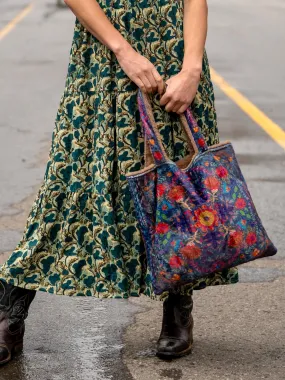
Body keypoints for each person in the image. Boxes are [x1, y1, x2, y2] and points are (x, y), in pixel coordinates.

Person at [0, 0, 238, 365]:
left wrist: (191, 70)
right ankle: (9, 314)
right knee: (72, 184)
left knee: (178, 190)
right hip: (104, 61)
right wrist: (124, 51)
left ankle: (178, 306)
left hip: (173, 59)